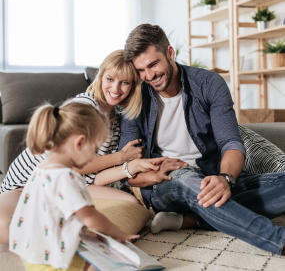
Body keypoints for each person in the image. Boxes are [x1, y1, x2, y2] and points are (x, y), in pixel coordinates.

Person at [118, 23, 285, 255]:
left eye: (153, 64)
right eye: (140, 70)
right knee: (186, 177)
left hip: (210, 175)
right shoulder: (135, 97)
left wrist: (225, 178)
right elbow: (127, 171)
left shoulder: (208, 84)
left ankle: (190, 220)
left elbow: (231, 143)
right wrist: (156, 173)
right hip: (166, 185)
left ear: (169, 53)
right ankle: (277, 239)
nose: (149, 76)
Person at [0, 49, 172, 245]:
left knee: (131, 204)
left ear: (133, 87)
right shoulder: (85, 107)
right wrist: (121, 158)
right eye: (110, 79)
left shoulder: (116, 118)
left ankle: (89, 239)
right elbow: (77, 165)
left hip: (72, 181)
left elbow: (92, 177)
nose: (116, 88)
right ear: (100, 77)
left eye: (124, 82)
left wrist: (129, 168)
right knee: (8, 227)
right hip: (25, 185)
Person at [9, 101, 140, 271]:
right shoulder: (66, 177)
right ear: (80, 143)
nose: (95, 156)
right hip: (54, 261)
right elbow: (91, 217)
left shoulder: (42, 169)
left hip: (32, 255)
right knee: (110, 264)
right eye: (95, 149)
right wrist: (118, 233)